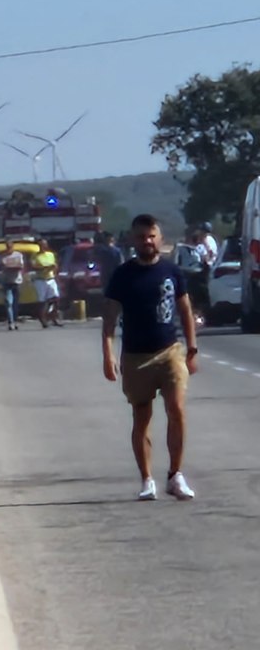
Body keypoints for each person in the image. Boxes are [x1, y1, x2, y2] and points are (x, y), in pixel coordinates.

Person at [102, 213, 198, 501]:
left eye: (151, 236)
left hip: (169, 351)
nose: (147, 241)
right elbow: (109, 320)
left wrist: (191, 349)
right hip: (135, 357)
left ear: (160, 238)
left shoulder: (171, 271)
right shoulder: (122, 275)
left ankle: (175, 475)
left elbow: (185, 311)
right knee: (141, 417)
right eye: (142, 236)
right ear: (134, 239)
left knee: (177, 409)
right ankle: (147, 479)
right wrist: (108, 355)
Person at [31, 238, 62, 328]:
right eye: (41, 245)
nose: (43, 247)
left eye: (44, 245)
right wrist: (46, 268)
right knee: (42, 301)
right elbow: (35, 267)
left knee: (56, 299)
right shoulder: (35, 256)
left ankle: (53, 317)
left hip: (50, 278)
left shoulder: (50, 255)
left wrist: (55, 270)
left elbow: (55, 266)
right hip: (40, 280)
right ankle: (42, 319)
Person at [0, 239, 25, 331]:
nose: (8, 248)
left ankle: (15, 320)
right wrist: (9, 267)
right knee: (8, 302)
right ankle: (11, 322)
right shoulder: (3, 256)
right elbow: (2, 267)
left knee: (15, 303)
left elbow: (21, 266)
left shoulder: (18, 255)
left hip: (17, 281)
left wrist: (11, 267)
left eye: (10, 246)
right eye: (7, 246)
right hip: (6, 281)